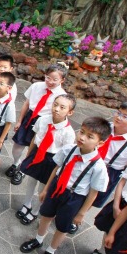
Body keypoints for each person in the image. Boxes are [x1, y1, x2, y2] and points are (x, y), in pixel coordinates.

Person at [20, 116, 111, 254]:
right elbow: (56, 169)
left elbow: (93, 192)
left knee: (62, 227)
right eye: (81, 132)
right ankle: (39, 239)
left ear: (100, 143)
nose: (82, 137)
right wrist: (46, 189)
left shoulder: (99, 167)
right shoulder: (68, 149)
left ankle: (51, 251)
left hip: (74, 197)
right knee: (46, 216)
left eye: (90, 136)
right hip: (57, 187)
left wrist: (81, 213)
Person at [15, 94, 77, 224]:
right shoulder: (42, 120)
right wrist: (28, 155)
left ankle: (35, 211)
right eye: (55, 104)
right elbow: (35, 138)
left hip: (51, 160)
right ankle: (27, 204)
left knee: (42, 188)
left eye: (62, 107)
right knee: (31, 181)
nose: (56, 109)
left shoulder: (68, 133)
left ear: (70, 112)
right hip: (37, 153)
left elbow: (65, 154)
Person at [8, 63, 68, 183]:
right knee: (17, 146)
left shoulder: (62, 95)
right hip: (30, 117)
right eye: (48, 77)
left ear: (62, 80)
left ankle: (22, 170)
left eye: (55, 79)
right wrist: (20, 121)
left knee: (34, 148)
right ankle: (16, 163)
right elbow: (26, 103)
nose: (50, 82)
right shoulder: (36, 86)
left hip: (45, 122)